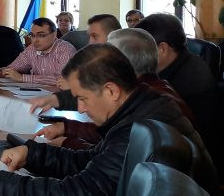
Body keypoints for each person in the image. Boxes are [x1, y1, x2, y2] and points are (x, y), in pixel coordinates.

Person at [0, 44, 209, 196]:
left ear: (111, 91)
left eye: (83, 98)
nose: (81, 108)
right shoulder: (140, 107)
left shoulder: (140, 127)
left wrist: (1, 186)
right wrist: (31, 154)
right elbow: (92, 160)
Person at [34, 28, 194, 150]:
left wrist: (68, 142)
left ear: (123, 65)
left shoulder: (152, 107)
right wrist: (67, 127)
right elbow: (111, 135)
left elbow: (112, 153)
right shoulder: (146, 90)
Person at [135, 12, 224, 173]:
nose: (136, 55)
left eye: (140, 49)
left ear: (162, 49)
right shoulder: (181, 64)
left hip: (190, 173)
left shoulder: (189, 80)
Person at [29, 13, 122, 112]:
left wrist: (75, 88)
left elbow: (108, 102)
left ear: (113, 37)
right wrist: (55, 100)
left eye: (95, 36)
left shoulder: (121, 65)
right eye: (89, 37)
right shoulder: (95, 61)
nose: (90, 42)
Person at [0, 17, 76, 86]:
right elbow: (13, 68)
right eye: (32, 35)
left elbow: (62, 80)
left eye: (41, 35)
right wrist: (0, 72)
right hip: (39, 94)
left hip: (63, 97)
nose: (35, 40)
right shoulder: (31, 49)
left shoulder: (65, 50)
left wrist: (23, 78)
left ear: (54, 34)